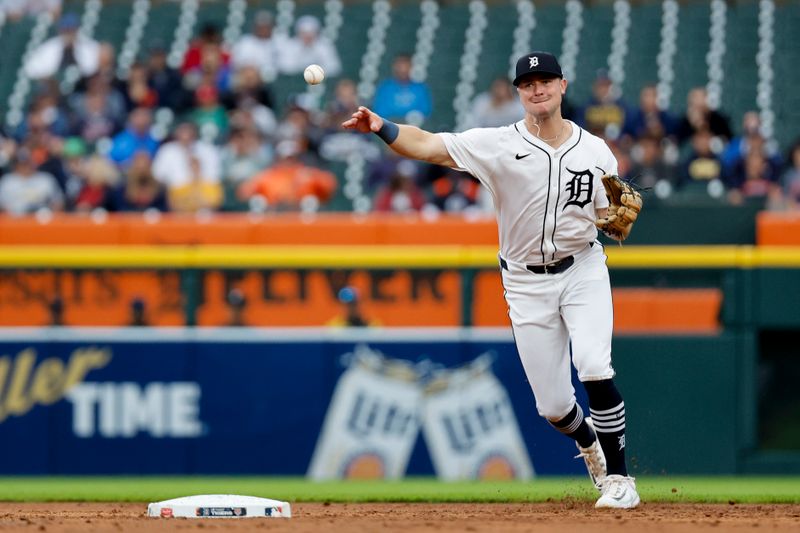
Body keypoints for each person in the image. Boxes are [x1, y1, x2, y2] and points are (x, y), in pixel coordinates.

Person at [343, 51, 641, 509]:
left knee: (594, 364)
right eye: (528, 83)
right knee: (555, 408)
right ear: (519, 93)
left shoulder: (595, 150)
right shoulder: (497, 143)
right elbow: (428, 145)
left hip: (582, 268)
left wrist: (612, 219)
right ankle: (588, 444)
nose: (536, 88)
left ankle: (620, 479)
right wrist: (382, 126)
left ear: (563, 85)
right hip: (525, 282)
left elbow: (611, 215)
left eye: (545, 80)